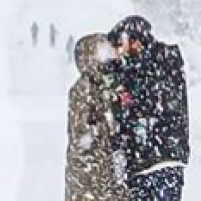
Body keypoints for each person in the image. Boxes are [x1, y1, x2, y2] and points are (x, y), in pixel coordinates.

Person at [107, 15, 189, 201]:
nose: (119, 52)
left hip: (158, 158)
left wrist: (122, 82)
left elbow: (152, 105)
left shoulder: (162, 63)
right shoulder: (139, 68)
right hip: (145, 160)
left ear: (135, 41)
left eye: (121, 44)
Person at [65, 34, 129, 201]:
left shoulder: (105, 86)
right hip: (90, 176)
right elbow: (82, 134)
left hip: (104, 173)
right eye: (102, 52)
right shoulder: (84, 89)